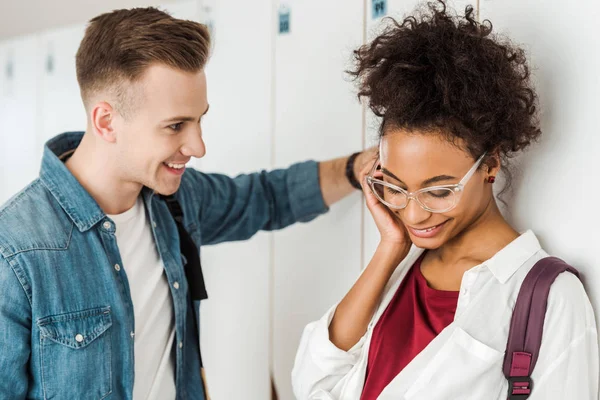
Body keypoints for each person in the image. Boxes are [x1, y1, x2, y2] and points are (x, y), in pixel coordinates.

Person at [0, 7, 373, 400]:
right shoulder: (15, 251)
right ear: (106, 122)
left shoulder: (175, 199)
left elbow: (266, 197)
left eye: (200, 120)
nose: (198, 146)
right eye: (176, 126)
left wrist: (354, 169)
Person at [292, 2, 598, 399]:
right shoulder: (404, 267)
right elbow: (313, 383)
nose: (415, 214)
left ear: (490, 164)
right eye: (398, 189)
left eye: (439, 191)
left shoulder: (547, 297)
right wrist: (390, 249)